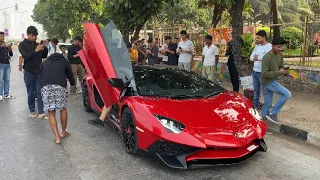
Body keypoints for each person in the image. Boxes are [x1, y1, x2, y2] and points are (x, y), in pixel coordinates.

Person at [40, 52, 75, 144]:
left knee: (51, 112)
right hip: (60, 87)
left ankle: (57, 138)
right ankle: (63, 132)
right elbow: (70, 75)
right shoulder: (64, 61)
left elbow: (41, 76)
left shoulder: (45, 62)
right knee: (62, 109)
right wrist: (72, 83)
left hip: (46, 87)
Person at [19, 26, 48, 119]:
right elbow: (26, 57)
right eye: (32, 35)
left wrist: (45, 48)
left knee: (40, 92)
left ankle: (41, 112)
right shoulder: (22, 44)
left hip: (38, 71)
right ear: (28, 34)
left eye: (36, 35)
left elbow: (44, 55)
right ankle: (32, 111)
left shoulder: (37, 44)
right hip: (29, 72)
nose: (34, 37)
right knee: (31, 92)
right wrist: (35, 50)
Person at [261, 37, 291, 123]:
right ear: (272, 46)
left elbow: (281, 68)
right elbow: (264, 73)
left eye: (282, 47)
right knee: (287, 94)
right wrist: (279, 72)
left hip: (272, 80)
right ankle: (273, 113)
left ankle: (264, 123)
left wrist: (287, 73)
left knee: (267, 103)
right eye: (278, 47)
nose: (280, 49)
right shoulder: (266, 57)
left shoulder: (280, 55)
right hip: (267, 82)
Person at [250, 30, 272, 109]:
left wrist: (257, 57)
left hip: (263, 72)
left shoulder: (270, 46)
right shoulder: (257, 47)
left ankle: (267, 107)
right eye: (256, 38)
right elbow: (251, 58)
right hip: (255, 71)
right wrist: (260, 57)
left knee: (266, 91)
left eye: (258, 38)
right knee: (256, 90)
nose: (257, 39)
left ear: (264, 37)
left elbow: (266, 57)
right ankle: (255, 105)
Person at [0, 31, 15, 100]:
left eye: (3, 36)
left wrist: (9, 48)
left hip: (7, 64)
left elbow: (11, 55)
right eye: (1, 36)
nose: (2, 38)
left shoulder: (6, 44)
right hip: (0, 64)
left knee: (7, 80)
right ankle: (0, 94)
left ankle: (6, 94)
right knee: (0, 80)